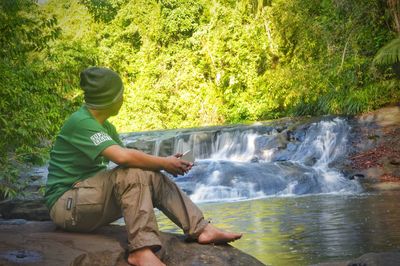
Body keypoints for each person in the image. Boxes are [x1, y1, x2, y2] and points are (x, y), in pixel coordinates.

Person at [44, 66, 242, 266]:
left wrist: (166, 161)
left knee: (148, 174)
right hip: (66, 205)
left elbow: (133, 162)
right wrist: (165, 163)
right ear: (110, 99)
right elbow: (124, 159)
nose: (123, 97)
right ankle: (141, 250)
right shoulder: (81, 122)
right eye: (120, 93)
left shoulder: (105, 127)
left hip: (86, 199)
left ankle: (201, 229)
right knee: (132, 174)